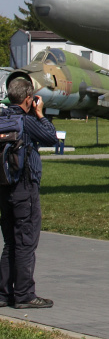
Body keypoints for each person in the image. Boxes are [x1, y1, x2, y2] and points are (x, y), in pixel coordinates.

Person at [1, 78, 58, 308]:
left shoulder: (3, 118)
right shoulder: (25, 121)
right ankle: (24, 295)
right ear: (28, 98)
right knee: (26, 243)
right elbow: (52, 137)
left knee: (10, 243)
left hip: (4, 187)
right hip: (25, 187)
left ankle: (4, 294)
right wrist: (41, 113)